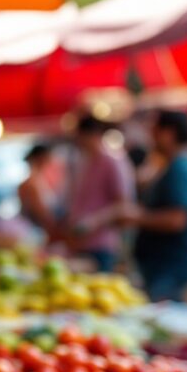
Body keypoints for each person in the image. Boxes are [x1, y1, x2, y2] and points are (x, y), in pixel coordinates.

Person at [122, 110, 187, 302]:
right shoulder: (173, 165)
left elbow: (177, 220)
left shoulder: (181, 168)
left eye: (155, 131)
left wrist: (135, 217)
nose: (152, 136)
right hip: (164, 265)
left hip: (171, 265)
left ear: (169, 133)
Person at [62, 115, 134, 272]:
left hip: (101, 245)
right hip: (79, 244)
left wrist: (93, 222)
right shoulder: (85, 162)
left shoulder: (112, 161)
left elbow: (123, 204)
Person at [17, 144, 58, 237]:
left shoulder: (34, 181)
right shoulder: (32, 183)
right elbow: (41, 214)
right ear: (41, 157)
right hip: (37, 233)